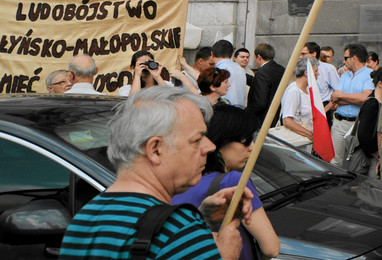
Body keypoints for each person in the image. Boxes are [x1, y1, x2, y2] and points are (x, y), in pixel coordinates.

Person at [59, 86, 250, 260]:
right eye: (197, 139)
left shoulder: (84, 220)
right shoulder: (179, 230)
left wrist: (204, 220)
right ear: (155, 149)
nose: (210, 146)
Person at [173, 105, 281, 260]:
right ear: (220, 142)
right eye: (245, 140)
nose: (252, 147)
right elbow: (271, 248)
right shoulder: (233, 181)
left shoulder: (178, 185)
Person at [330, 43, 373, 166]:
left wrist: (342, 96)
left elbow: (364, 98)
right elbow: (334, 98)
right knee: (335, 161)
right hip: (339, 123)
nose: (343, 62)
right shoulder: (344, 75)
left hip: (357, 125)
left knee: (355, 163)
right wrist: (354, 98)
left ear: (354, 58)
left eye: (345, 58)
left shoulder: (370, 75)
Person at [354, 65, 382, 176]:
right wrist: (378, 156)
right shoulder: (372, 104)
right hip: (371, 157)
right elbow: (364, 136)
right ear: (380, 83)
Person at [246, 43, 285, 126]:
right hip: (277, 116)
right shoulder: (281, 69)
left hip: (263, 120)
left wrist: (246, 112)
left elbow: (260, 102)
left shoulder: (262, 73)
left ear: (259, 57)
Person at [279, 60, 314, 149]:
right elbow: (287, 121)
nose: (318, 74)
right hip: (296, 141)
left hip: (304, 140)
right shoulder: (294, 91)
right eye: (316, 71)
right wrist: (310, 135)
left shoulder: (307, 90)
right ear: (307, 73)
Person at [301, 42, 339, 118]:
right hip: (305, 108)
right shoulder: (300, 68)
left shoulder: (328, 69)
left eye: (303, 54)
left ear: (314, 54)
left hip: (322, 107)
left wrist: (325, 109)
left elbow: (338, 90)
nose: (301, 57)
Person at [212, 40, 248, 108]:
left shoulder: (219, 69)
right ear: (232, 54)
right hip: (240, 111)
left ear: (212, 54)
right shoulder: (240, 68)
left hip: (224, 111)